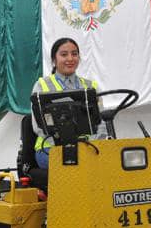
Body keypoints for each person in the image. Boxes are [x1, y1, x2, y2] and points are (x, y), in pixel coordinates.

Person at [31, 37, 100, 171]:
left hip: (87, 145)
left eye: (74, 54)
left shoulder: (90, 86)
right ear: (53, 60)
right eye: (64, 54)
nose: (70, 58)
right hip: (50, 148)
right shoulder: (42, 85)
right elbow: (38, 126)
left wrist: (97, 144)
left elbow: (100, 122)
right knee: (78, 165)